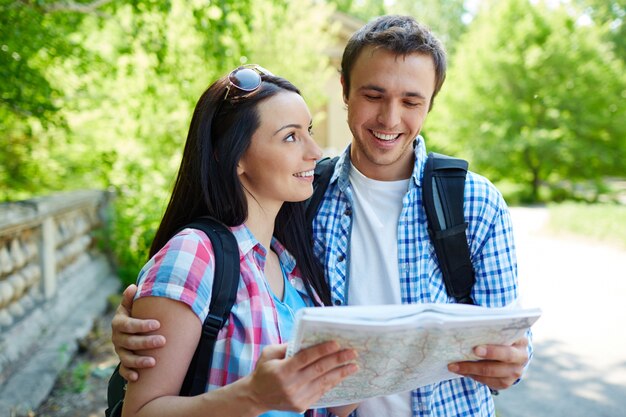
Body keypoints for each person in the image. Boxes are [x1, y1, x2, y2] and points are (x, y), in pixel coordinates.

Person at [112, 16, 532, 417]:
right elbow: (201, 299)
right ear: (345, 89)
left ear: (430, 104)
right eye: (373, 95)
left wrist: (513, 362)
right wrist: (144, 322)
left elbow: (511, 343)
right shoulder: (305, 201)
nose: (389, 118)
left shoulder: (473, 203)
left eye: (411, 101)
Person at [116, 65, 360, 417]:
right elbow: (141, 412)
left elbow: (334, 403)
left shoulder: (292, 263)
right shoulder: (193, 254)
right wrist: (253, 396)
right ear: (236, 156)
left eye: (307, 131)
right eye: (290, 136)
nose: (315, 151)